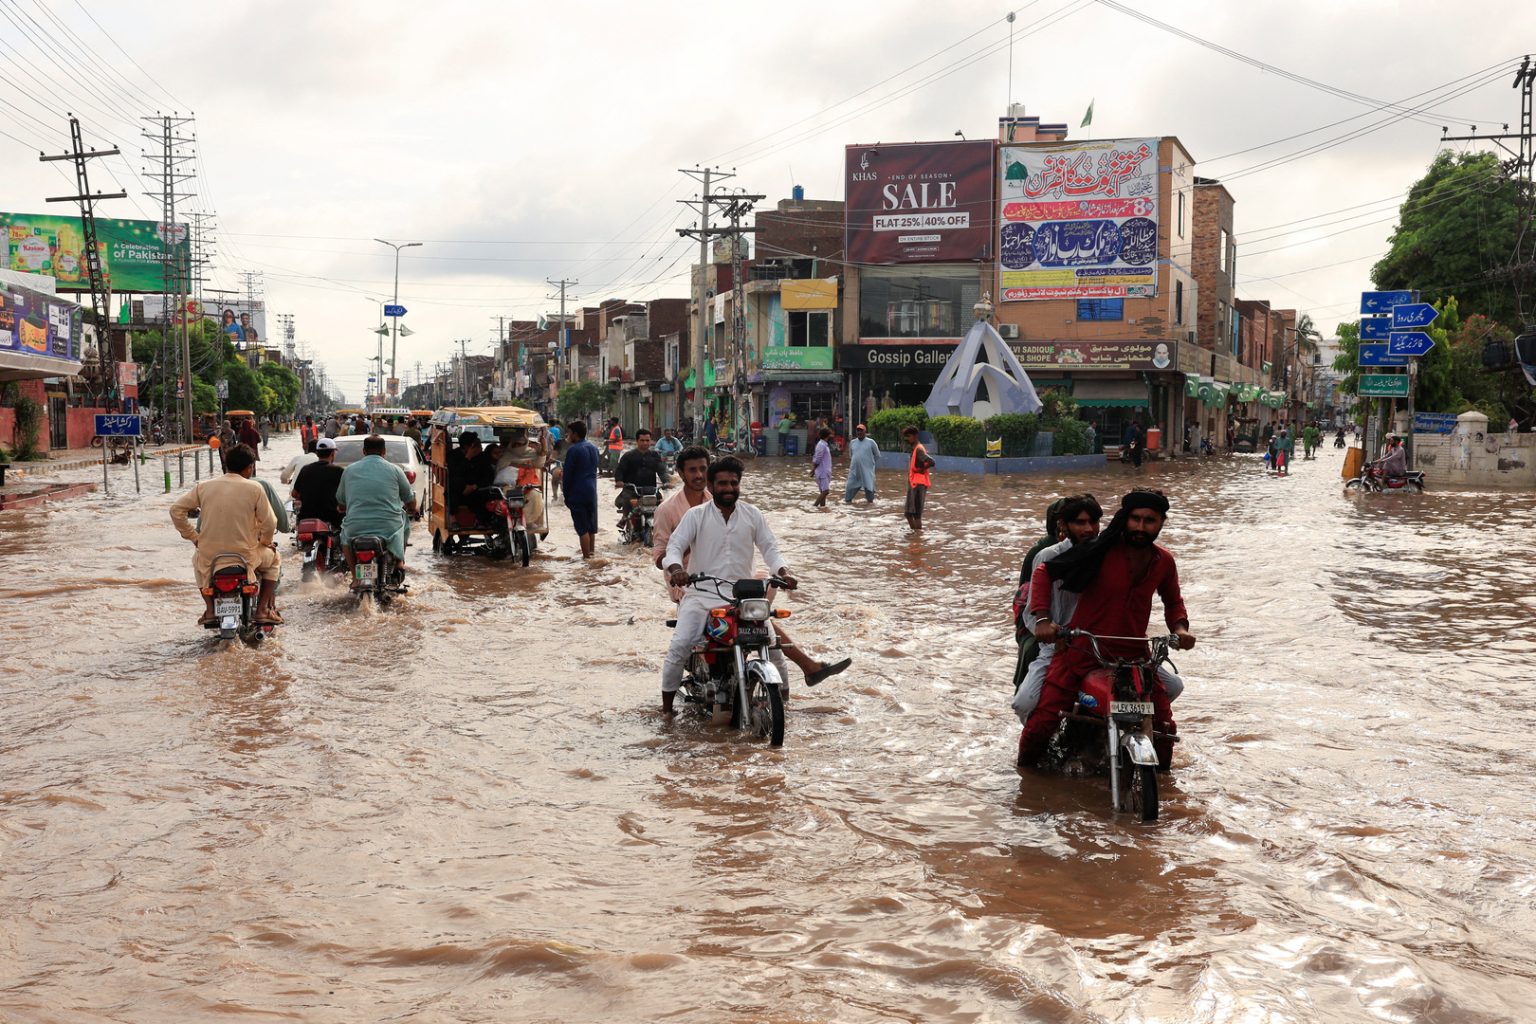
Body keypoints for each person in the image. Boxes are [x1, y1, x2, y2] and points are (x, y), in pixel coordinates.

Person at [1018, 489, 1196, 771]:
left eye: (1149, 521)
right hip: (1082, 651)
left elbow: (1173, 601)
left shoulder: (1164, 561)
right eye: (1135, 519)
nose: (1140, 527)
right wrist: (1042, 619)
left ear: (1161, 522)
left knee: (1164, 726)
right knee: (1042, 722)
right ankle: (1025, 780)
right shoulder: (1098, 550)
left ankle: (1162, 788)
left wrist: (1181, 629)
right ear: (1125, 519)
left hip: (1137, 656)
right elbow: (1045, 573)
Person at [660, 456, 849, 715]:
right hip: (700, 595)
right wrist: (677, 569)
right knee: (680, 646)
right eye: (723, 484)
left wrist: (783, 571)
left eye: (733, 483)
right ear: (712, 487)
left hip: (742, 598)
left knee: (774, 647)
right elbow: (674, 547)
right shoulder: (695, 516)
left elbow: (770, 548)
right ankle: (666, 711)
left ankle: (783, 708)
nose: (729, 488)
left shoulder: (752, 514)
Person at [169, 444, 281, 625]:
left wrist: (194, 538)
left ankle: (210, 610)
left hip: (210, 557)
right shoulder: (255, 488)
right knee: (275, 560)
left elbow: (176, 510)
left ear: (227, 465)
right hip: (246, 557)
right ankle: (262, 610)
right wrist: (266, 542)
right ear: (250, 467)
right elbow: (270, 522)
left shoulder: (203, 487)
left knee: (197, 562)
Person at [336, 434, 418, 575]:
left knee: (345, 538)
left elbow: (341, 502)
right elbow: (409, 498)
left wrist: (344, 507)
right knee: (404, 524)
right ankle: (399, 561)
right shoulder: (395, 470)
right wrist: (412, 508)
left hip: (356, 527)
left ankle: (355, 579)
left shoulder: (349, 470)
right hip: (388, 527)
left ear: (363, 451)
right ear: (384, 451)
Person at [563, 419, 600, 558]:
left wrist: (566, 496)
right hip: (592, 491)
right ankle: (592, 555)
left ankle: (586, 560)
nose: (567, 435)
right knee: (591, 527)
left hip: (577, 492)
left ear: (575, 434)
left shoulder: (573, 450)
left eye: (569, 433)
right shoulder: (594, 447)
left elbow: (567, 476)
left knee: (582, 528)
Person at [292, 437, 345, 529]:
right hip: (332, 518)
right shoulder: (338, 471)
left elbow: (294, 494)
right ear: (333, 453)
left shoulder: (305, 469)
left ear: (317, 453)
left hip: (306, 517)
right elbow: (345, 495)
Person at [614, 427, 667, 515]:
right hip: (632, 489)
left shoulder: (655, 455)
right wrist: (619, 481)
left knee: (663, 504)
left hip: (651, 489)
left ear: (650, 441)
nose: (645, 443)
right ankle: (625, 518)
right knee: (627, 501)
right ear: (637, 441)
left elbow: (661, 471)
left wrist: (667, 482)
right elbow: (620, 470)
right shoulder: (628, 456)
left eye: (647, 440)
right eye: (642, 440)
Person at [903, 425, 932, 531]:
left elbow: (931, 462)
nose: (907, 439)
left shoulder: (919, 449)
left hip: (918, 485)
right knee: (908, 513)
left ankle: (918, 536)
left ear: (915, 436)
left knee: (916, 514)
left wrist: (921, 470)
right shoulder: (915, 449)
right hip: (914, 484)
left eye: (908, 436)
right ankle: (915, 536)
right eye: (905, 437)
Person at [843, 424, 879, 503]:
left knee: (870, 496)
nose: (859, 432)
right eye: (858, 430)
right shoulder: (852, 443)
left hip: (867, 472)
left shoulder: (871, 442)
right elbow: (851, 455)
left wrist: (869, 464)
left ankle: (869, 508)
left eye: (861, 430)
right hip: (855, 472)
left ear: (865, 432)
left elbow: (877, 455)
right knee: (848, 496)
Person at [811, 427, 832, 507]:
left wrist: (813, 470)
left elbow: (816, 458)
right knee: (826, 491)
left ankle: (822, 509)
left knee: (823, 492)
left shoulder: (822, 445)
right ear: (828, 435)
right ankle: (814, 506)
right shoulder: (822, 445)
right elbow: (817, 459)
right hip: (822, 472)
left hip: (823, 471)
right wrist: (813, 470)